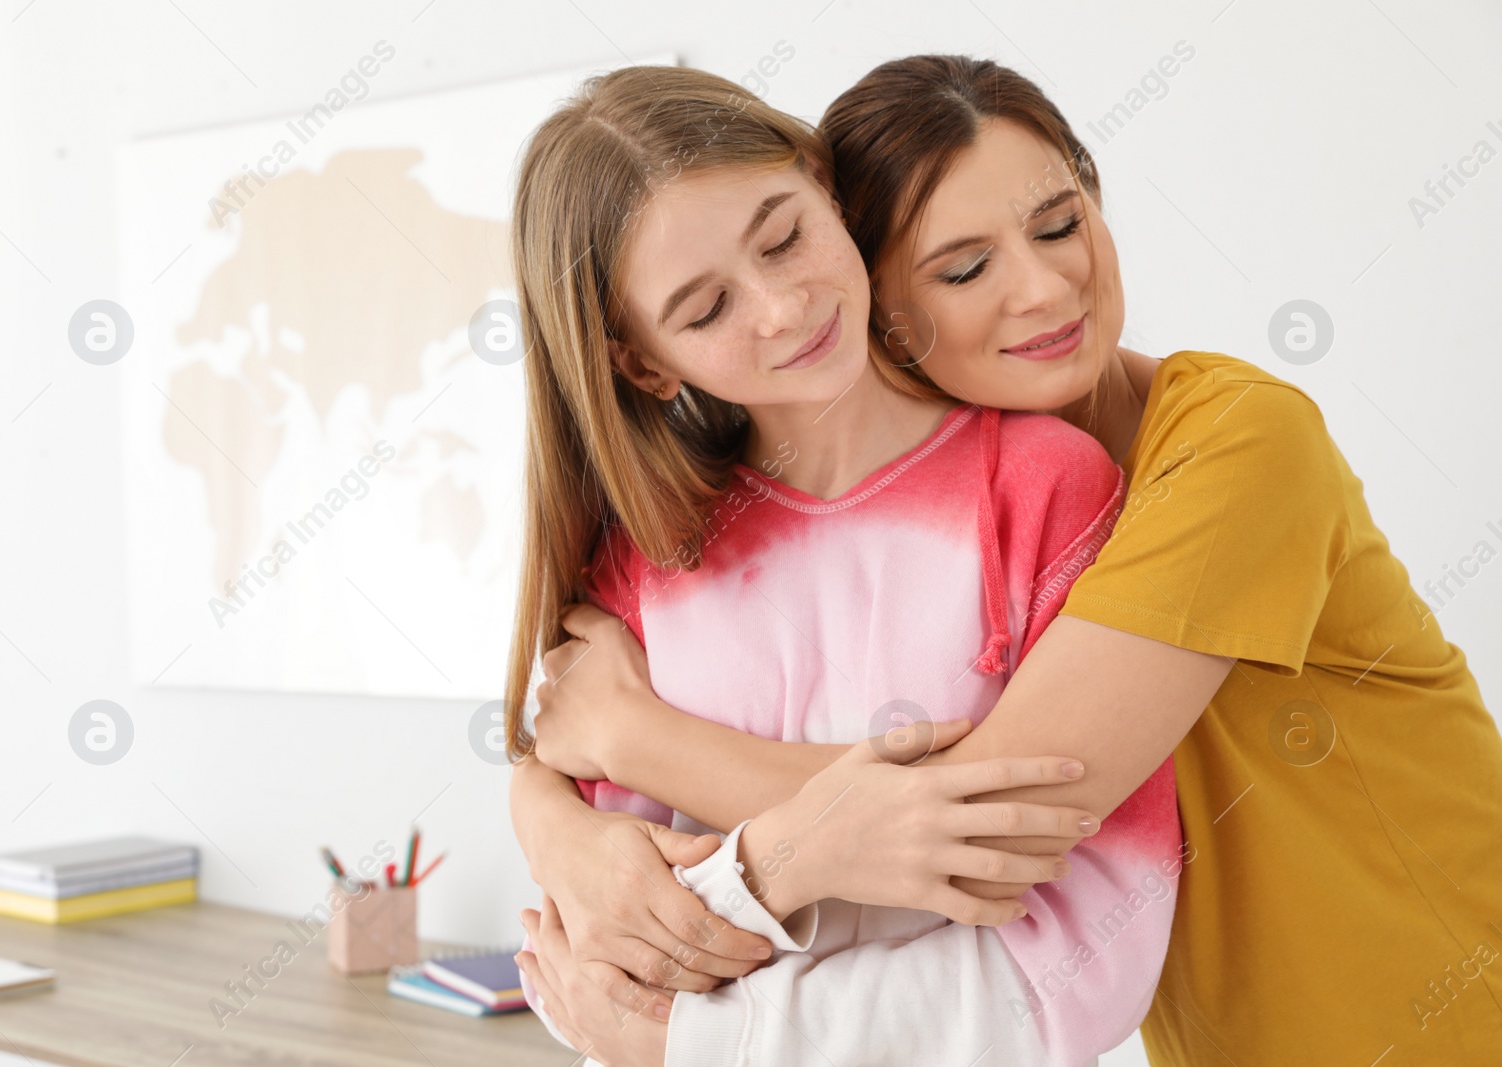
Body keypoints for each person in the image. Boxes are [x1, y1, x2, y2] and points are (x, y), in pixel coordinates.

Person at [522, 54, 1502, 1065]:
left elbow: (987, 810)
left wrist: (630, 734)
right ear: (877, 288)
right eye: (963, 267)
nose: (1045, 288)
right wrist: (550, 817)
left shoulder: (1241, 444)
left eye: (1057, 223)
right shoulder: (950, 494)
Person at [504, 62, 1184, 1066]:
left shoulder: (1042, 487)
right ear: (641, 362)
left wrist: (708, 1033)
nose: (782, 307)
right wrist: (569, 844)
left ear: (824, 185)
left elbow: (1092, 946)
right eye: (704, 310)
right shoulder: (643, 559)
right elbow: (602, 960)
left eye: (784, 236)